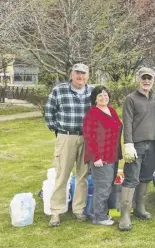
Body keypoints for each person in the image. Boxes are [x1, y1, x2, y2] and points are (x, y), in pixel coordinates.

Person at [44, 63, 93, 227]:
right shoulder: (60, 90)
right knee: (62, 174)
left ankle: (79, 210)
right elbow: (49, 111)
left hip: (86, 138)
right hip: (67, 136)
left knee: (83, 175)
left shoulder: (92, 91)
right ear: (72, 74)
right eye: (78, 73)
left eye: (84, 74)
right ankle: (56, 212)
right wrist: (57, 130)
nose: (81, 77)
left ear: (88, 75)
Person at [118, 67, 155, 231]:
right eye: (144, 78)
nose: (146, 81)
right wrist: (128, 143)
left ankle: (140, 208)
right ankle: (125, 215)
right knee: (131, 178)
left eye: (149, 78)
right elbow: (127, 123)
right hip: (135, 145)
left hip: (152, 144)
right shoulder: (131, 99)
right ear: (139, 79)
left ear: (153, 80)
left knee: (146, 177)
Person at [82, 85, 122, 226]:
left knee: (109, 186)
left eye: (105, 95)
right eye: (100, 96)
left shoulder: (111, 110)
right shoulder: (92, 114)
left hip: (113, 154)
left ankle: (105, 213)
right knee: (102, 187)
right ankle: (99, 217)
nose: (103, 98)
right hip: (101, 157)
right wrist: (96, 157)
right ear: (95, 99)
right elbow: (89, 137)